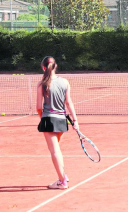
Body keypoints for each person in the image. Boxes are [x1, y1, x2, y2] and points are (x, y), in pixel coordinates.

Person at [36, 56, 79, 189]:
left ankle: (62, 181)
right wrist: (75, 121)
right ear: (55, 66)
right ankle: (63, 175)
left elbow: (38, 107)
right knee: (56, 150)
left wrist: (42, 118)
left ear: (43, 67)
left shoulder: (41, 84)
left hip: (48, 119)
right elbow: (69, 102)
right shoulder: (65, 82)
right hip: (61, 120)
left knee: (54, 151)